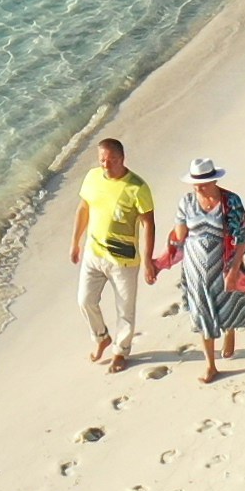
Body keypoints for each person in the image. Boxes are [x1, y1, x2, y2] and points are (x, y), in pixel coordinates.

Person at [168, 158, 245, 381]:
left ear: (214, 180)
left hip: (225, 262)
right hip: (195, 269)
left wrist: (235, 268)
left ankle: (230, 331)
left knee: (229, 304)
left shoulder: (231, 201)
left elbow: (241, 236)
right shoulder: (187, 202)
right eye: (195, 184)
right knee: (202, 313)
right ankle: (211, 365)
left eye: (203, 183)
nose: (199, 188)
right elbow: (180, 235)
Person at [72, 136, 155, 371]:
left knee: (125, 311)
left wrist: (148, 260)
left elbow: (148, 224)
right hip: (93, 253)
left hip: (123, 260)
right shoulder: (92, 177)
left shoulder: (137, 187)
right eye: (102, 160)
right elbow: (83, 209)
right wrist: (75, 242)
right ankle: (101, 338)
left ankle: (120, 351)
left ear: (122, 159)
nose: (106, 165)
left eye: (111, 160)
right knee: (85, 301)